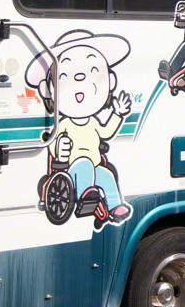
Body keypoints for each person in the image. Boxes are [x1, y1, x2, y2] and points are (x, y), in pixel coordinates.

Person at [26, 29, 134, 230]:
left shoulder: (93, 122)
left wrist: (117, 113)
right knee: (84, 164)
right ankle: (86, 193)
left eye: (92, 73)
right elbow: (52, 146)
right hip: (72, 169)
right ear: (49, 89)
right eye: (66, 76)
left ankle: (115, 206)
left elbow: (106, 132)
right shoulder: (64, 124)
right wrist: (59, 147)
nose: (79, 81)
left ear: (110, 81)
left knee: (106, 175)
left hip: (94, 166)